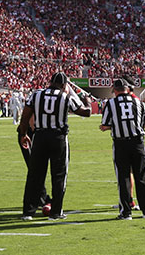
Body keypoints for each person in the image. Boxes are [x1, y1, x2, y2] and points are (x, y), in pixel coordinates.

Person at [18, 72, 91, 221]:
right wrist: (87, 100)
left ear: (50, 82)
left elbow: (25, 117)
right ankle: (56, 211)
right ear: (64, 86)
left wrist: (23, 134)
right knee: (59, 175)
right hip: (58, 137)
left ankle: (28, 211)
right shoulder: (66, 97)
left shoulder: (36, 94)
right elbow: (86, 112)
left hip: (39, 136)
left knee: (34, 174)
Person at [100, 79, 145, 220]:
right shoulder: (139, 102)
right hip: (137, 143)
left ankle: (126, 212)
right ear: (127, 89)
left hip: (120, 144)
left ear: (116, 90)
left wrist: (110, 127)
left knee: (123, 177)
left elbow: (105, 125)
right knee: (141, 176)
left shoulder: (111, 104)